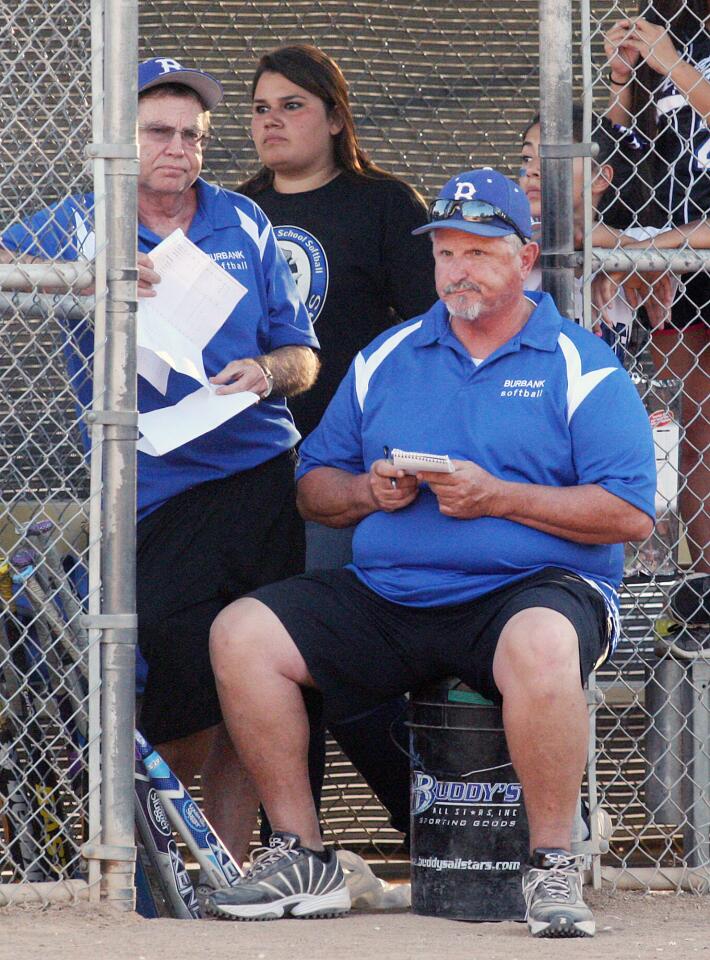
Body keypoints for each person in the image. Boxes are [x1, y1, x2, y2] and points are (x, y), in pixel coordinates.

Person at [204, 169, 656, 937]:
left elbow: (629, 514)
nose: (458, 270)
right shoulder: (390, 354)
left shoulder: (581, 363)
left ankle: (551, 865)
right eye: (446, 253)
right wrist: (368, 493)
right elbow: (314, 484)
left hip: (531, 589)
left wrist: (498, 496)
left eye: (479, 251)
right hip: (394, 590)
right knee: (242, 633)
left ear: (524, 259)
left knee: (544, 643)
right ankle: (303, 853)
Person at [1, 57, 320, 863]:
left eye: (193, 135)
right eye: (158, 132)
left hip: (263, 474)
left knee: (262, 689)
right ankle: (160, 874)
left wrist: (268, 372)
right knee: (181, 699)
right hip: (155, 490)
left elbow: (302, 355)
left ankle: (240, 872)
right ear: (117, 139)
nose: (179, 149)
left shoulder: (243, 218)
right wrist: (85, 283)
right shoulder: (79, 224)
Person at [237, 43, 437, 839]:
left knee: (342, 666)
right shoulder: (235, 213)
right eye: (259, 107)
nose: (272, 121)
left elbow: (432, 339)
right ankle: (296, 845)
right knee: (267, 662)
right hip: (249, 471)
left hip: (350, 475)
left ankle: (445, 833)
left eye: (292, 104)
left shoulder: (386, 205)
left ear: (335, 114)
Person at [604, 2, 709, 586]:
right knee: (692, 433)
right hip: (670, 256)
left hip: (693, 240)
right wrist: (623, 76)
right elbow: (624, 155)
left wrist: (673, 64)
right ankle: (705, 589)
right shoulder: (660, 29)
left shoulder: (676, 49)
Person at [520, 106, 674, 349]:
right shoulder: (512, 234)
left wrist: (626, 256)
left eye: (553, 158)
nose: (532, 170)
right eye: (527, 158)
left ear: (599, 177)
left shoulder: (633, 238)